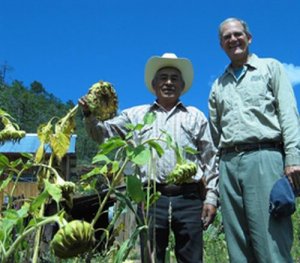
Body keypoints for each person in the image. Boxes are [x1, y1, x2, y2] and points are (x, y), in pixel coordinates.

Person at [79, 53, 219, 263]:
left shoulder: (195, 116)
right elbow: (103, 134)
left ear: (182, 85)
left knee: (191, 258)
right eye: (163, 77)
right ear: (154, 85)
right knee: (151, 257)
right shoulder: (135, 115)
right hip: (150, 198)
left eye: (174, 78)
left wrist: (211, 197)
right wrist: (89, 115)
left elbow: (210, 159)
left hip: (189, 198)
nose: (169, 82)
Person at [208, 17, 300, 262]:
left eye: (237, 34)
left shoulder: (271, 68)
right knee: (237, 246)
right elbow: (215, 135)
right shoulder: (218, 85)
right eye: (226, 37)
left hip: (264, 158)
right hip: (228, 164)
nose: (233, 39)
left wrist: (292, 159)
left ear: (248, 38)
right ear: (221, 45)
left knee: (271, 244)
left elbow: (289, 115)